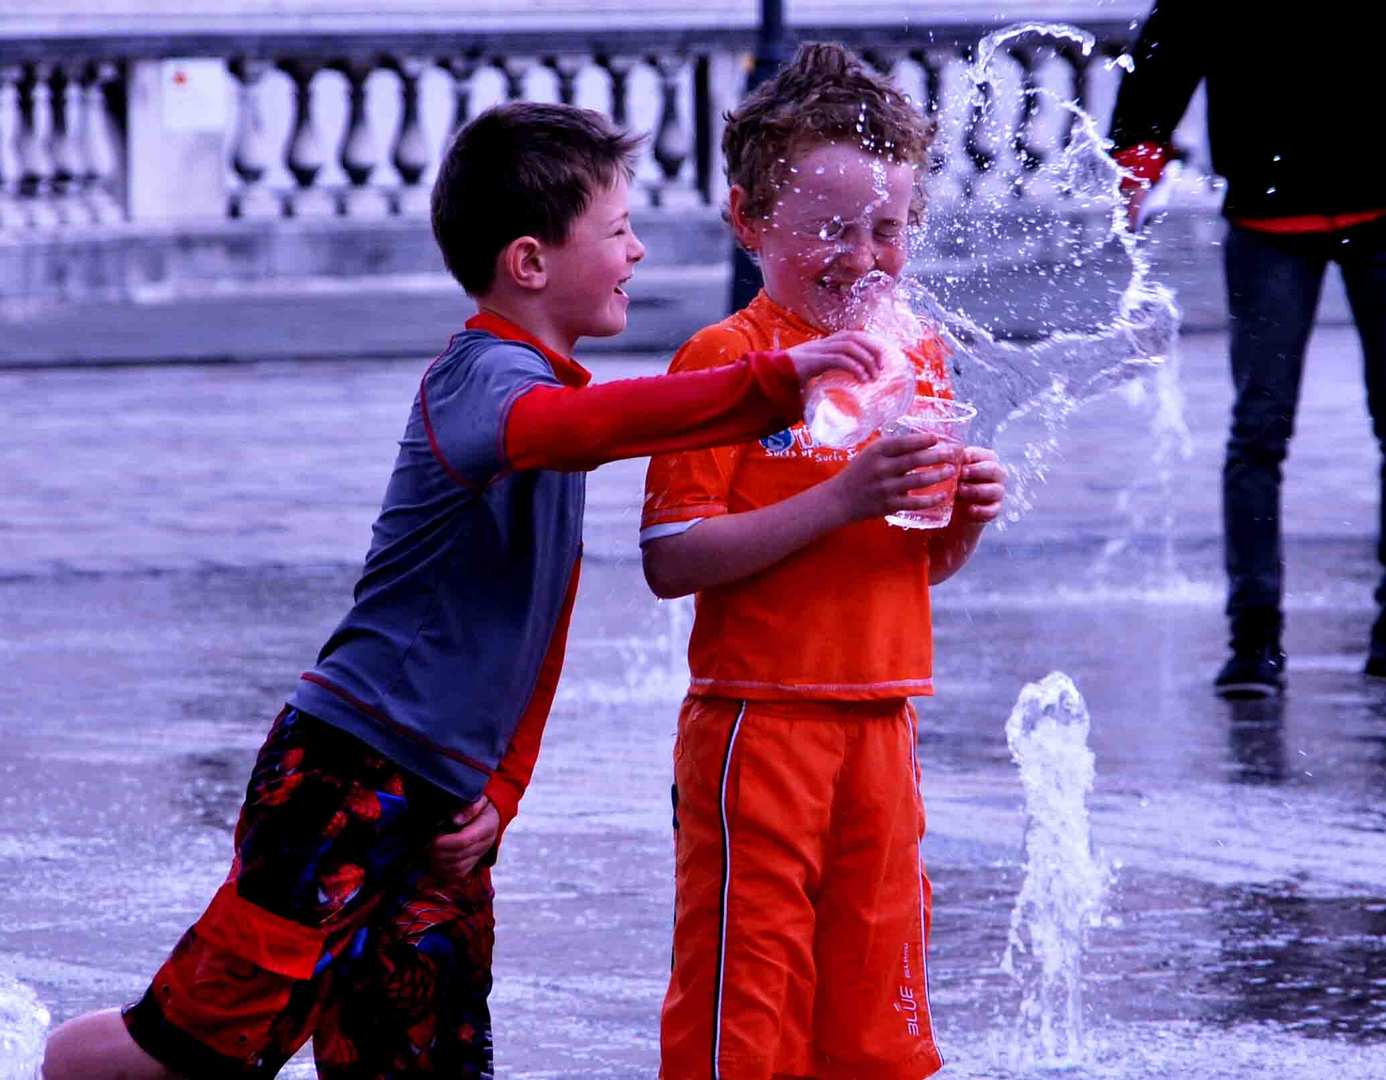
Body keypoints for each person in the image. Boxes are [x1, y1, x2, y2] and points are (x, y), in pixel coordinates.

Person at [41, 101, 888, 1079]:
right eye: (617, 231)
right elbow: (572, 429)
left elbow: (538, 638)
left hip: (445, 811)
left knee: (425, 1061)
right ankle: (63, 1063)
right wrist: (770, 384)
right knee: (197, 1053)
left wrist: (501, 793)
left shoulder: (559, 401)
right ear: (530, 262)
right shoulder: (483, 378)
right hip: (341, 779)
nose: (640, 252)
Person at [640, 45, 1007, 1079]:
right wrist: (841, 494)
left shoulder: (916, 354)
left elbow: (907, 565)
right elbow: (672, 558)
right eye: (832, 231)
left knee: (877, 987)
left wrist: (959, 522)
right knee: (746, 989)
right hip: (760, 721)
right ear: (751, 224)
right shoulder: (727, 363)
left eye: (888, 228)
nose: (865, 257)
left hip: (884, 719)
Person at [1109, 1, 1386, 696]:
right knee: (1259, 429)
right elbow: (1168, 45)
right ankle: (1255, 635)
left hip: (1379, 207)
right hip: (1268, 215)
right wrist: (1136, 152)